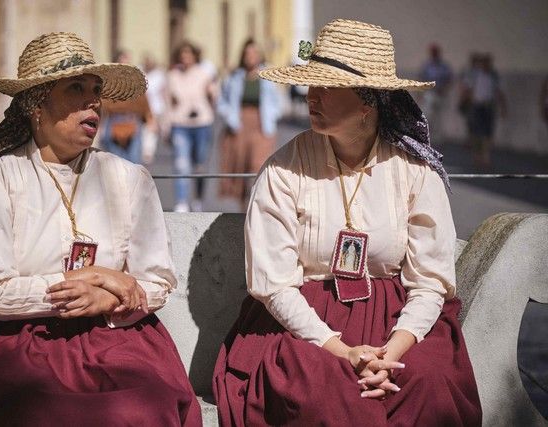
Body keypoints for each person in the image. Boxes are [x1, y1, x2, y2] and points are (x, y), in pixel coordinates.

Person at [0, 32, 201, 426]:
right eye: (75, 88)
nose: (92, 100)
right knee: (42, 410)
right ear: (36, 106)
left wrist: (107, 298)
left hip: (116, 335)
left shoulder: (127, 178)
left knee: (144, 405)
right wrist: (91, 280)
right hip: (18, 340)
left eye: (96, 90)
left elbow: (157, 280)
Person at [213, 19, 481, 426]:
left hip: (398, 319)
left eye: (326, 86)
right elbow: (274, 285)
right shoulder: (283, 171)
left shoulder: (414, 173)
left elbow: (429, 281)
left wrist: (390, 354)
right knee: (326, 392)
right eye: (311, 83)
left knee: (429, 382)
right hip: (301, 323)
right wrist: (341, 351)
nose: (311, 96)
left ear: (366, 102)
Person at [217, 38, 282, 209]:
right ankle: (243, 209)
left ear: (260, 55)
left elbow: (278, 101)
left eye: (254, 53)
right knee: (240, 168)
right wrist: (229, 117)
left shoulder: (268, 75)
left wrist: (273, 116)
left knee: (257, 166)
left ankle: (257, 206)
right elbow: (221, 101)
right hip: (238, 126)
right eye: (247, 53)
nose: (250, 56)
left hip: (262, 125)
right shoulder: (235, 77)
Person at [166, 41, 216, 212]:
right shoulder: (173, 75)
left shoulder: (204, 74)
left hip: (202, 123)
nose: (185, 58)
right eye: (182, 55)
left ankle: (198, 199)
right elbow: (168, 102)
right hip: (180, 123)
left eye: (189, 54)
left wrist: (211, 100)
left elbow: (213, 96)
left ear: (195, 56)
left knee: (200, 164)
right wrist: (166, 127)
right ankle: (181, 202)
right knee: (181, 163)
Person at [99, 49, 154, 165]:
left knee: (134, 163)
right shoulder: (109, 82)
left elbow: (143, 101)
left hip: (133, 122)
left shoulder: (136, 81)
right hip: (114, 122)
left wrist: (149, 118)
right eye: (123, 59)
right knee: (116, 163)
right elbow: (105, 104)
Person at [459, 53, 506, 168]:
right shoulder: (475, 75)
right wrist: (463, 102)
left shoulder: (493, 76)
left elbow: (498, 92)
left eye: (488, 63)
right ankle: (477, 157)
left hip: (488, 106)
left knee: (487, 133)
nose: (486, 65)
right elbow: (467, 90)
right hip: (476, 106)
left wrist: (503, 107)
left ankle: (486, 157)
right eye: (484, 63)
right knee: (476, 133)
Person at [419, 43, 453, 143]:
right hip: (430, 94)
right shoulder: (427, 66)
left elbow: (449, 79)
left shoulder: (444, 66)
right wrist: (420, 93)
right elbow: (421, 79)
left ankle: (439, 139)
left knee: (439, 117)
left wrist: (445, 89)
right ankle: (428, 137)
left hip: (441, 94)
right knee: (428, 116)